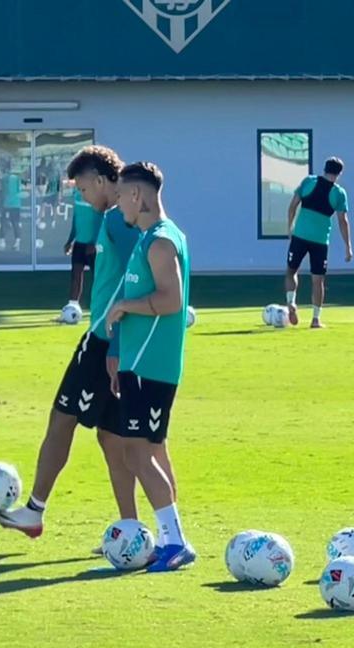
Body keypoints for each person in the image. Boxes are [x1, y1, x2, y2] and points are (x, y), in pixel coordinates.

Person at [0, 146, 177, 553]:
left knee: (63, 420)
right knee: (113, 438)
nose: (83, 197)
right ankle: (133, 530)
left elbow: (139, 277)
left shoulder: (118, 221)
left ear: (101, 180)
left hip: (105, 340)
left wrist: (115, 345)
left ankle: (35, 510)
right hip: (116, 339)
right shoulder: (115, 219)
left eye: (83, 189)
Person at [105, 161, 194, 572]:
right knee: (152, 450)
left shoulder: (159, 242)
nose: (118, 203)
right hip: (143, 363)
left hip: (149, 366)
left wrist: (125, 305)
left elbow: (171, 300)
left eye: (121, 195)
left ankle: (175, 542)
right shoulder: (154, 237)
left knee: (137, 453)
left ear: (137, 195)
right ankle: (170, 537)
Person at [284, 157, 352, 328]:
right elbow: (343, 221)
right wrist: (347, 246)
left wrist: (290, 228)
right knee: (318, 280)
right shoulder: (339, 193)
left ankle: (291, 302)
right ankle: (315, 319)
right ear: (339, 174)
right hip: (320, 241)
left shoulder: (309, 181)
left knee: (291, 271)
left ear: (324, 169)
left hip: (300, 236)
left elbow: (292, 206)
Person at [62, 186, 104, 313]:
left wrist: (94, 242)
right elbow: (76, 219)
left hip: (92, 246)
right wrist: (70, 240)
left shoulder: (95, 194)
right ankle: (72, 306)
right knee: (76, 275)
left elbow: (99, 219)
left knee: (98, 277)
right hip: (79, 243)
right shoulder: (76, 194)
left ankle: (101, 305)